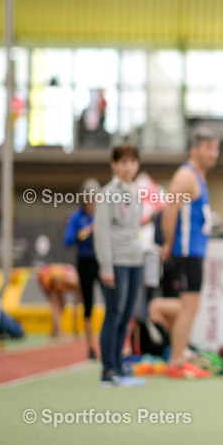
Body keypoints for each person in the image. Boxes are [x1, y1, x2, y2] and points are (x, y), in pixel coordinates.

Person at [159, 127, 219, 379]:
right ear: (194, 150)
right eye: (207, 148)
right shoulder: (186, 176)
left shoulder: (199, 177)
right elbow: (170, 210)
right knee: (188, 307)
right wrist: (167, 243)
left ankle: (179, 354)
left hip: (195, 251)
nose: (213, 154)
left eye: (215, 148)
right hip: (185, 252)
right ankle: (176, 359)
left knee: (190, 307)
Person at [93, 144, 146, 387]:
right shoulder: (107, 193)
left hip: (135, 259)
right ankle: (108, 370)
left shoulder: (136, 191)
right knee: (113, 314)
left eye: (132, 162)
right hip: (116, 261)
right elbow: (101, 232)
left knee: (126, 316)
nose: (128, 167)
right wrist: (106, 266)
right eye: (123, 162)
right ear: (114, 164)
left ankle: (119, 363)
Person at [64, 179, 101, 359]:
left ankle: (113, 343)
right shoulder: (77, 217)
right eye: (89, 198)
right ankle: (91, 346)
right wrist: (84, 232)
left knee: (113, 301)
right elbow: (68, 240)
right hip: (85, 262)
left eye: (94, 197)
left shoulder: (102, 215)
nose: (91, 201)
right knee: (88, 304)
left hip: (103, 261)